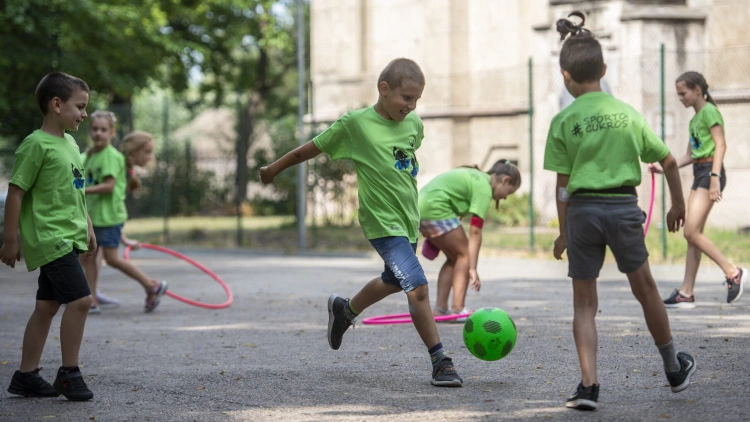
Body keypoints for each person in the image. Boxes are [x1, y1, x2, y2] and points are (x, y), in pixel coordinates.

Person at [259, 58, 463, 387]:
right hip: (382, 224)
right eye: (406, 98)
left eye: (416, 101)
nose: (411, 107)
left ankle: (345, 310)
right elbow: (310, 150)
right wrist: (272, 170)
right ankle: (441, 361)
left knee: (394, 281)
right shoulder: (356, 124)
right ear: (384, 89)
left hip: (408, 222)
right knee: (418, 288)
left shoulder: (414, 126)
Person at [543, 12, 696, 410]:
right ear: (604, 69)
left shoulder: (563, 120)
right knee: (645, 290)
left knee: (584, 304)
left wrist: (563, 232)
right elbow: (669, 161)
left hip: (582, 212)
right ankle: (673, 368)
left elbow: (562, 187)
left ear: (565, 75)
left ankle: (589, 386)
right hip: (623, 208)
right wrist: (678, 203)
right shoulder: (628, 114)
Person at [1, 72, 96, 401]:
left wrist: (88, 225)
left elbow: (76, 190)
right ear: (57, 104)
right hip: (49, 237)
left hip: (69, 235)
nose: (85, 114)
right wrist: (10, 239)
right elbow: (16, 193)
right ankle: (69, 373)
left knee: (47, 306)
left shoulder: (70, 143)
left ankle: (26, 375)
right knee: (81, 301)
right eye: (80, 107)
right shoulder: (35, 144)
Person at [653, 71, 747, 308]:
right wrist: (664, 168)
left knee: (691, 231)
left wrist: (715, 177)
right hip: (699, 172)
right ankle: (686, 293)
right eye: (678, 94)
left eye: (683, 93)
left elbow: (720, 145)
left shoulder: (710, 112)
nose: (681, 98)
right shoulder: (695, 120)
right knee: (692, 235)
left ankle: (732, 271)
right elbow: (688, 155)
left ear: (697, 90)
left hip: (709, 173)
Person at [79, 112, 167, 313]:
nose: (98, 133)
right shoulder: (85, 157)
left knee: (112, 258)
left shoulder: (111, 157)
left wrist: (80, 190)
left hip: (108, 218)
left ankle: (150, 285)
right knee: (89, 256)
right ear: (89, 130)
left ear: (111, 132)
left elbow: (109, 186)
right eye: (95, 129)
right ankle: (91, 298)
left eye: (103, 129)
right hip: (93, 217)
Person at [418, 160, 521, 319]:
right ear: (505, 180)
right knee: (464, 255)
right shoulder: (484, 189)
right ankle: (458, 308)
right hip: (435, 208)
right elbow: (475, 232)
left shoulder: (478, 178)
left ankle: (440, 309)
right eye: (509, 192)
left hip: (421, 207)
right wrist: (472, 267)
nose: (506, 197)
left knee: (454, 258)